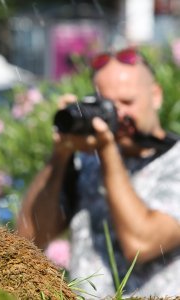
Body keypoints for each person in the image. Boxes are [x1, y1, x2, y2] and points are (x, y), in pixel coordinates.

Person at [16, 47, 180, 297]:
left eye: (127, 102)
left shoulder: (174, 160)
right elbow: (29, 236)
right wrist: (62, 154)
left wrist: (106, 150)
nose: (117, 114)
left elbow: (140, 245)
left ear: (155, 95)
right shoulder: (87, 161)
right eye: (106, 104)